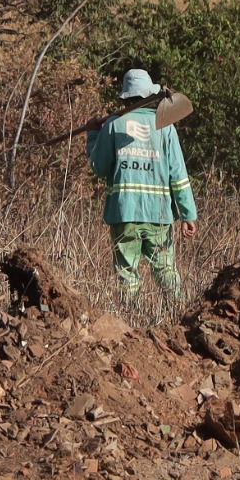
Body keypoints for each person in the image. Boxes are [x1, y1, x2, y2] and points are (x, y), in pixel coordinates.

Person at [86, 68, 196, 307]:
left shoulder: (114, 125)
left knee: (127, 276)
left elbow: (99, 167)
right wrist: (188, 215)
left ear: (124, 97)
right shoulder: (165, 127)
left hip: (124, 213)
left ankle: (128, 321)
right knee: (166, 273)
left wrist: (93, 134)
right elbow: (178, 175)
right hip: (159, 214)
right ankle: (180, 314)